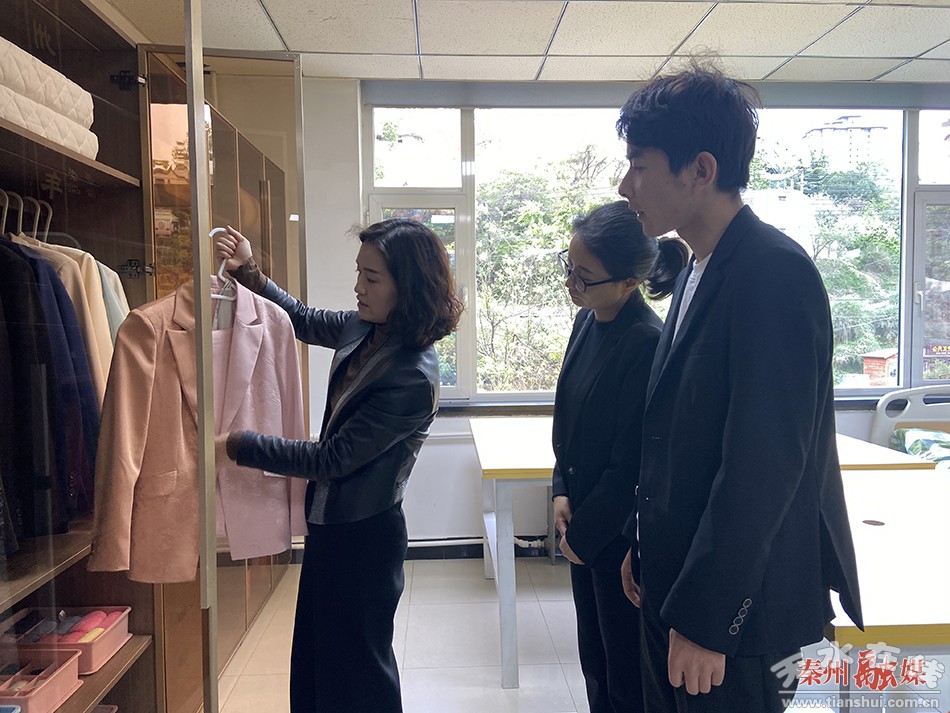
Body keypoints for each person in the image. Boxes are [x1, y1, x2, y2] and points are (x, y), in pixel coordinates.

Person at [615, 63, 863, 713]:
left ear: (701, 169)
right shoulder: (697, 268)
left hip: (736, 617)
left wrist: (707, 618)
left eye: (639, 165)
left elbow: (764, 465)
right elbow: (679, 435)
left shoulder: (773, 272)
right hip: (675, 581)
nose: (625, 184)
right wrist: (645, 543)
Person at [214, 219, 462, 713]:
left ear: (408, 286)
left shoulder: (411, 375)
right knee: (320, 659)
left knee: (360, 671)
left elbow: (332, 459)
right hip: (331, 526)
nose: (358, 287)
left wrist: (240, 445)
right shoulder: (366, 328)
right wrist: (249, 270)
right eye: (358, 273)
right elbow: (301, 319)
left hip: (365, 538)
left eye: (372, 278)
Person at [552, 200, 688, 713]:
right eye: (569, 267)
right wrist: (560, 490)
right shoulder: (587, 321)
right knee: (594, 660)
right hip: (581, 522)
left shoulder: (645, 341)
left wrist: (583, 537)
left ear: (630, 282)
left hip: (617, 537)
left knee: (625, 675)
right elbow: (568, 422)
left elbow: (631, 461)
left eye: (584, 277)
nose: (571, 284)